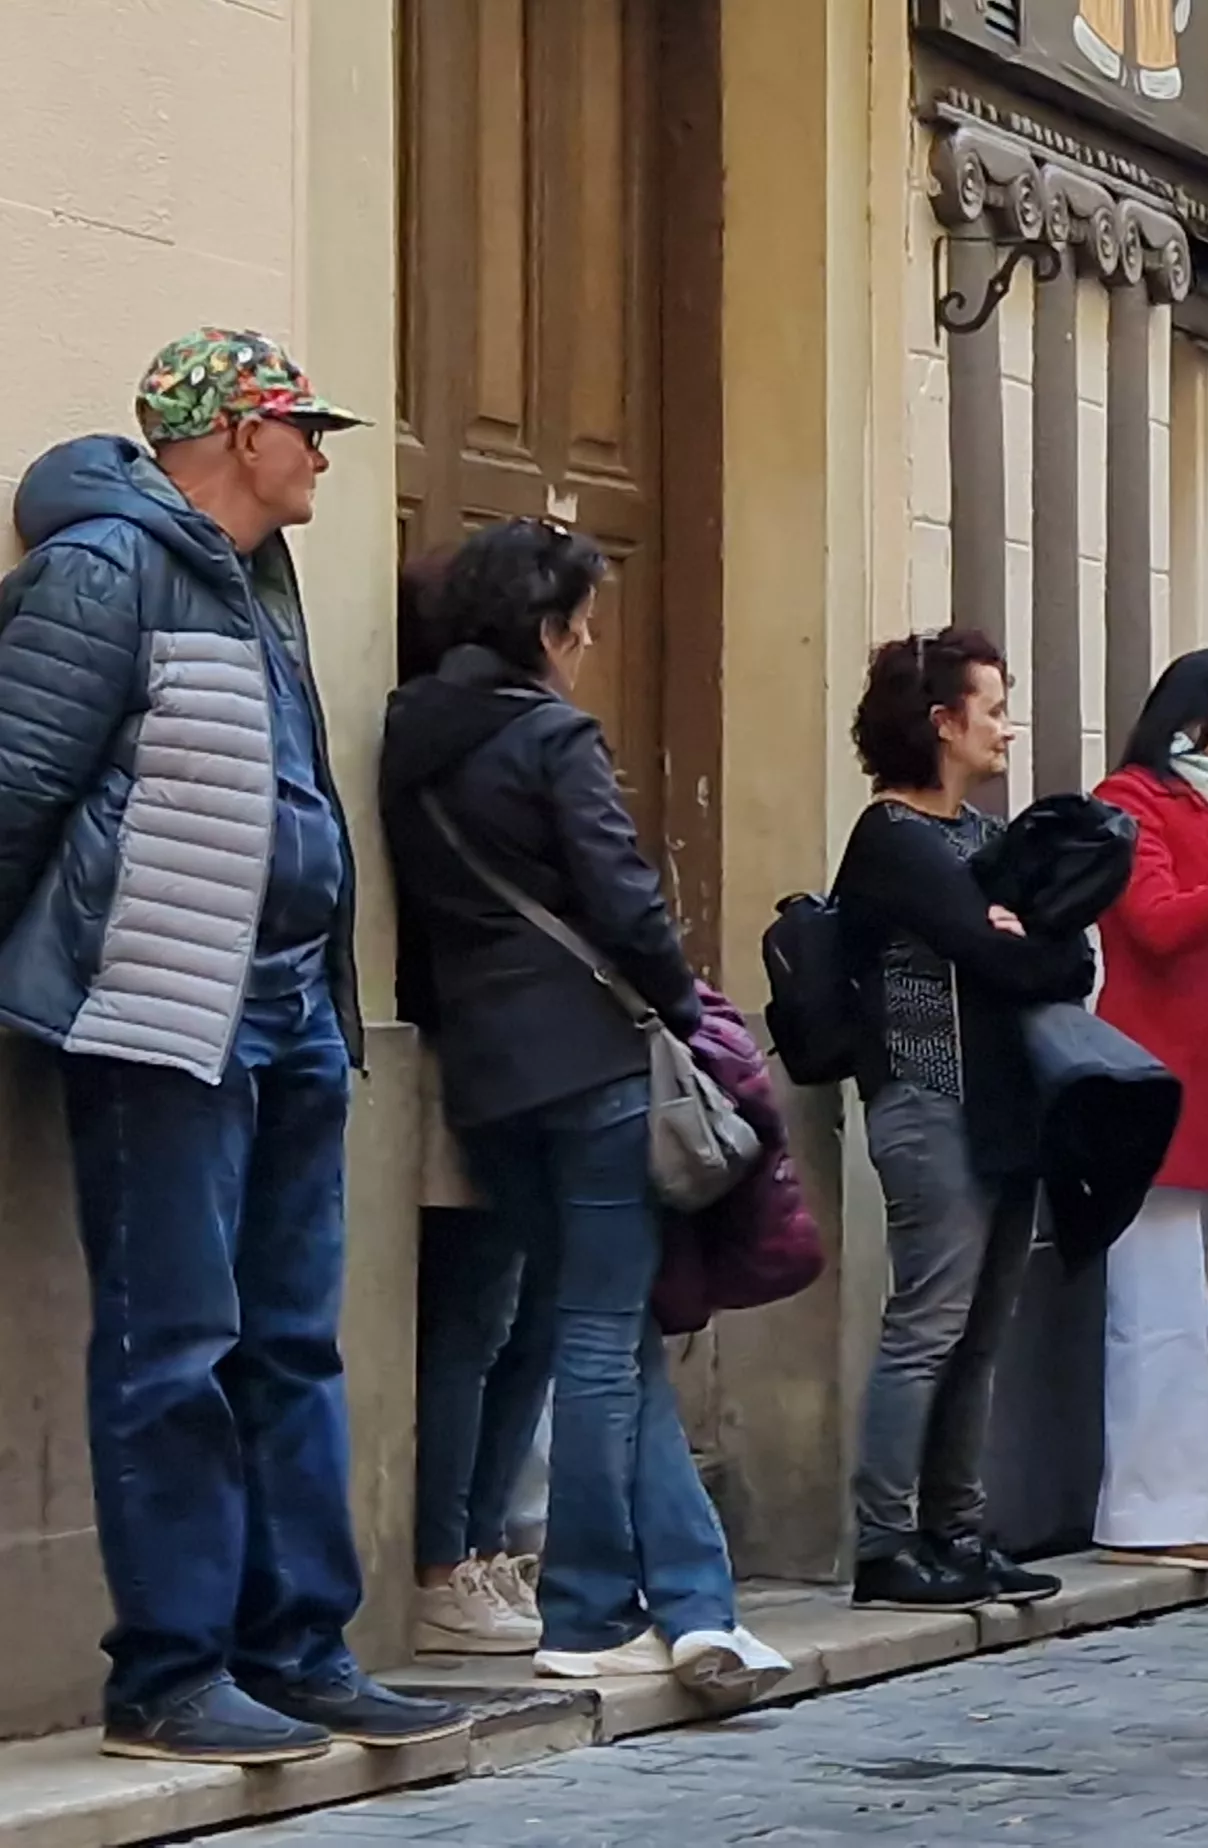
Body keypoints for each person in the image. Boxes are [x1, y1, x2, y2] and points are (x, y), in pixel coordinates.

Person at [0, 330, 466, 1763]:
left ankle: (298, 1650)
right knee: (176, 1348)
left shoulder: (259, 579)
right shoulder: (105, 570)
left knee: (290, 1345)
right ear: (236, 436)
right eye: (301, 426)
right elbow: (15, 783)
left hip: (292, 1008)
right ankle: (169, 1675)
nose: (322, 452)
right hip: (163, 1009)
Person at [378, 518, 788, 1701]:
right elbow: (625, 900)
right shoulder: (552, 737)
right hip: (591, 1065)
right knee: (603, 1339)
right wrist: (684, 1008)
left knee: (598, 1334)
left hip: (484, 1074)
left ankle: (697, 1607)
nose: (591, 644)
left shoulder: (405, 734)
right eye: (583, 624)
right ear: (547, 630)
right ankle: (591, 1606)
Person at [837, 629, 1095, 1611]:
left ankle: (957, 1528)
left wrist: (1028, 944)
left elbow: (1072, 961)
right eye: (993, 708)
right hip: (927, 1099)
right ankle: (884, 1541)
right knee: (930, 1325)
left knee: (981, 1333)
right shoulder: (893, 837)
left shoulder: (983, 838)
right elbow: (1000, 959)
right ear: (943, 723)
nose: (1007, 727)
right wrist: (1018, 942)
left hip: (1000, 1106)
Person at [1088, 648, 1208, 1570]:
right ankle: (1153, 1511)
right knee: (1159, 1312)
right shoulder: (1130, 802)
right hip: (1157, 1079)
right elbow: (1157, 922)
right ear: (1186, 715)